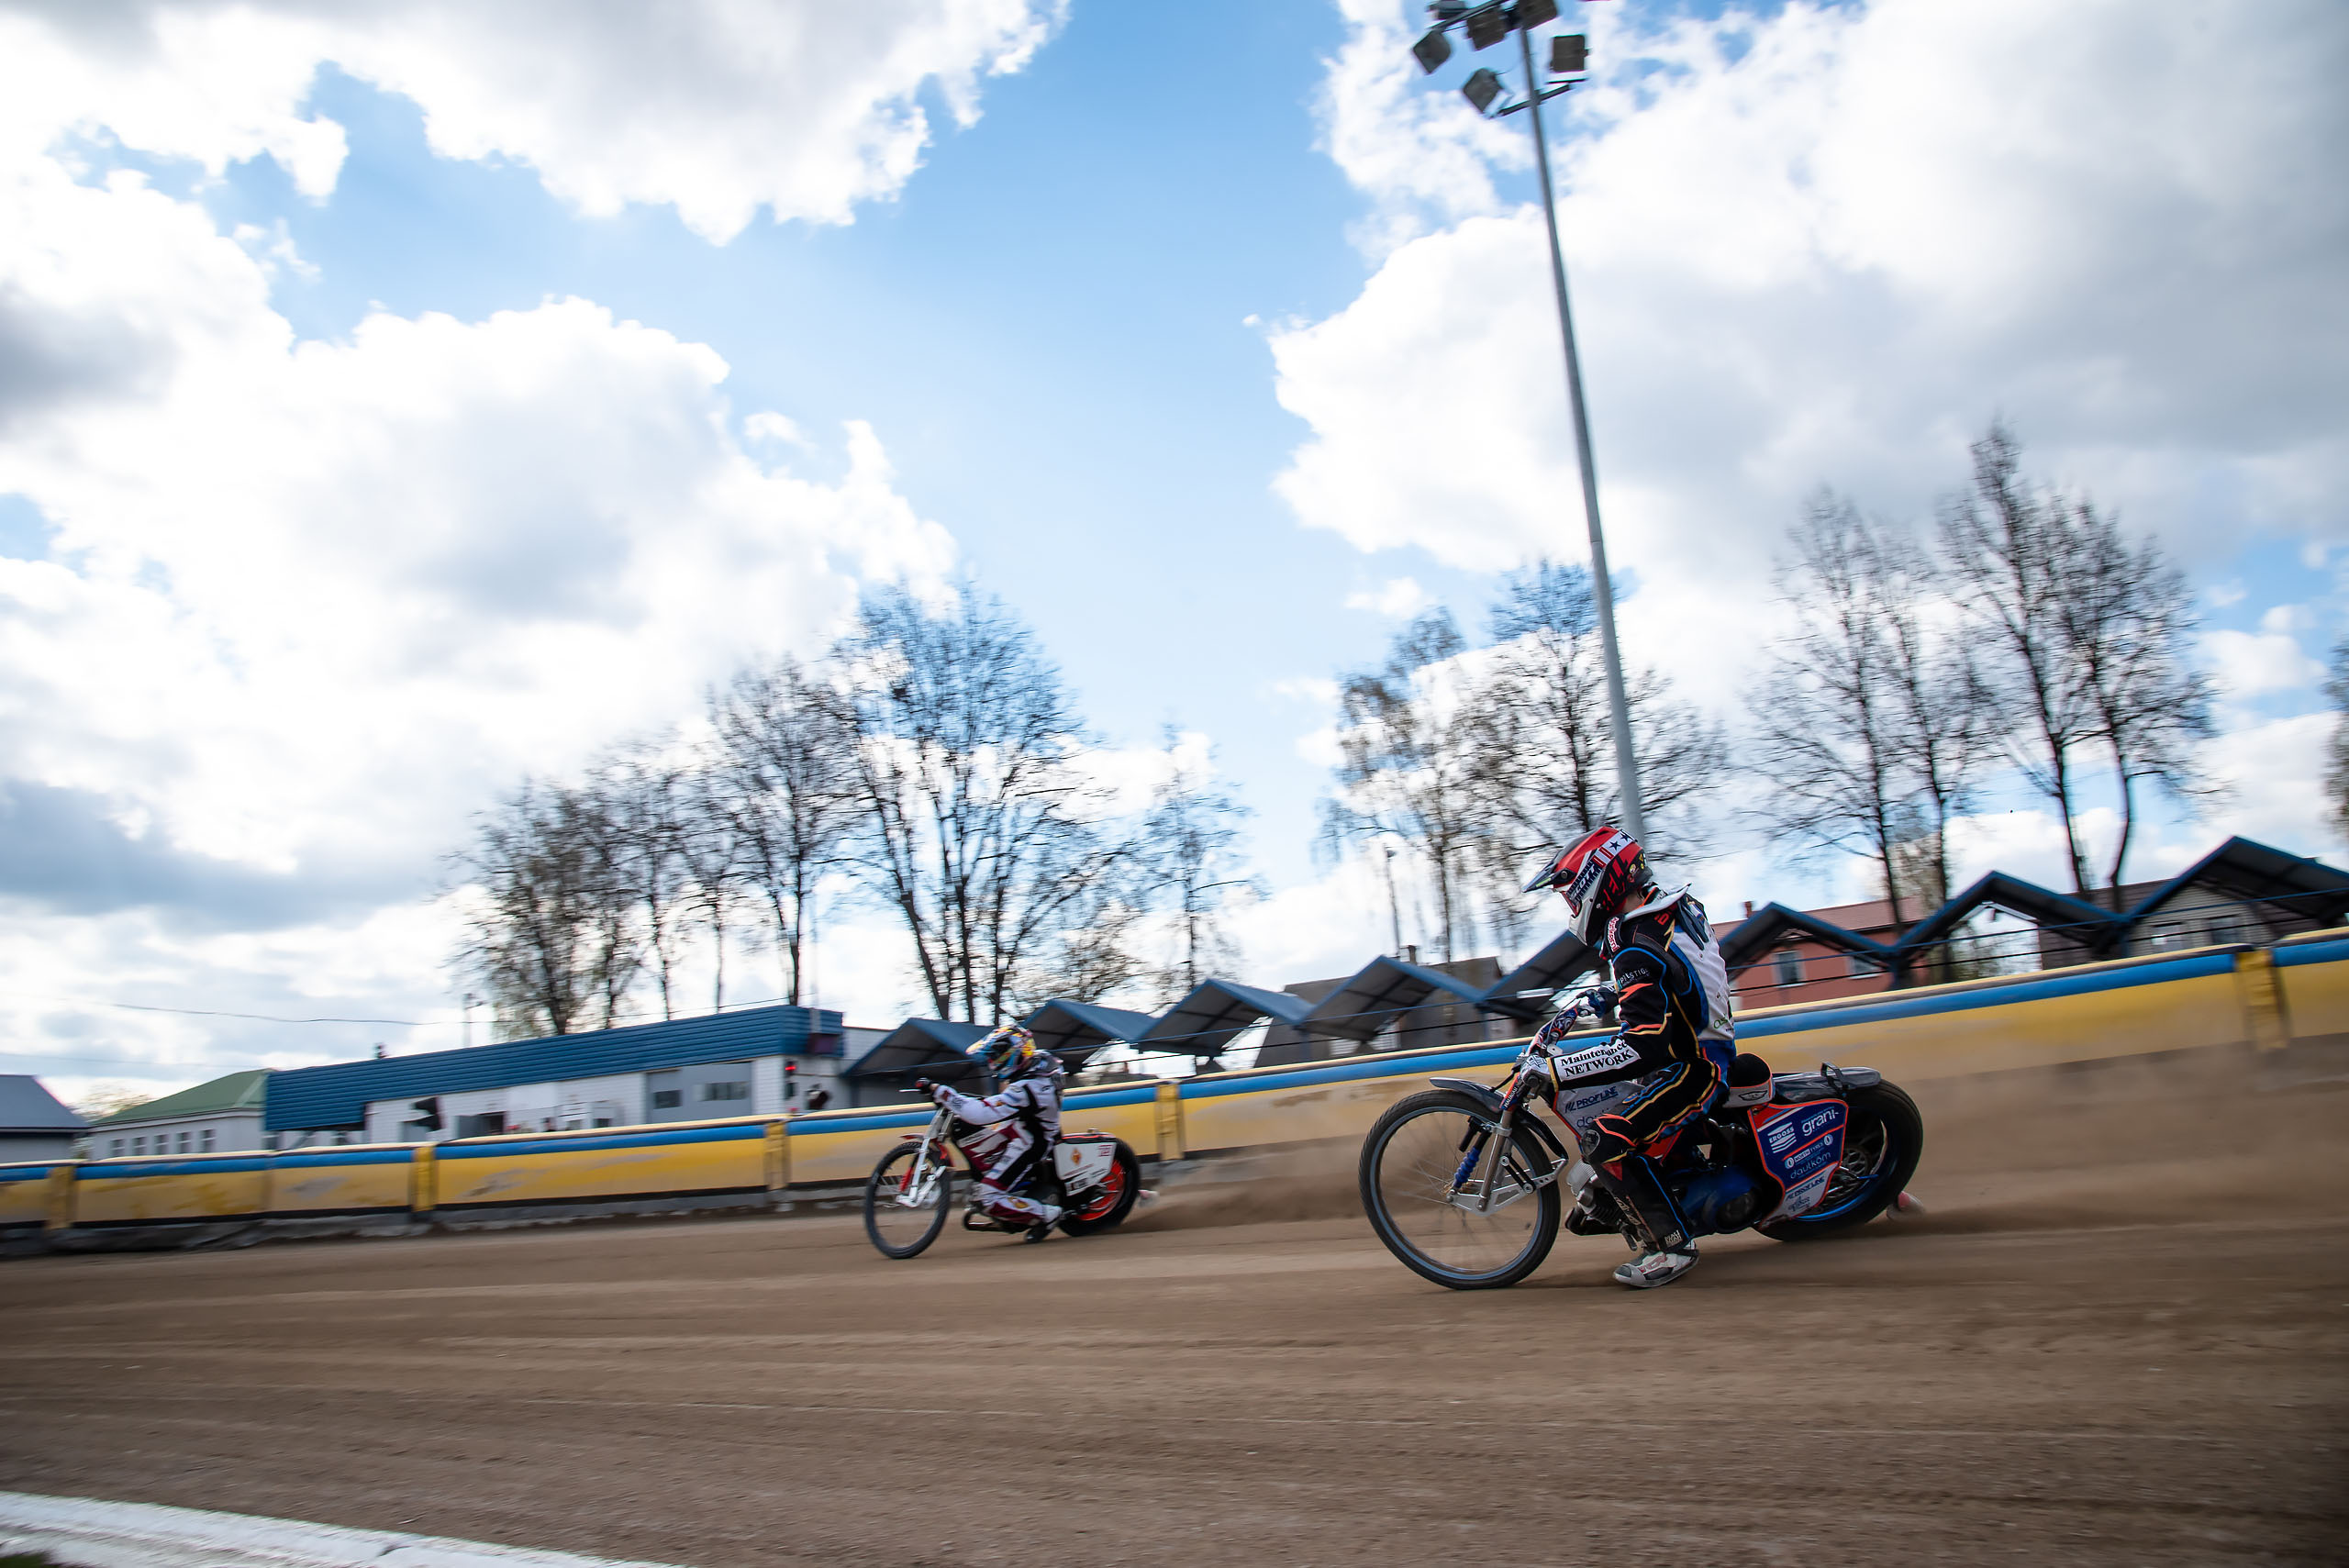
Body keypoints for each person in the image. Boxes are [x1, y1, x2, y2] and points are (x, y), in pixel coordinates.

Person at [1520, 825, 1736, 1289]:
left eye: (1572, 899)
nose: (1574, 911)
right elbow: (1678, 977)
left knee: (1606, 1138)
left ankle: (1673, 1247)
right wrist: (1617, 991)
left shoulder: (1634, 942)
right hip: (1697, 1046)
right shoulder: (1671, 907)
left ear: (1597, 886)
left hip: (1692, 1067)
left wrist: (1557, 1071)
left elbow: (1642, 1046)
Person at [919, 1023, 1067, 1242]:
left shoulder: (1029, 1087)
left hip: (1031, 1143)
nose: (992, 1063)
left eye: (996, 1056)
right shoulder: (1039, 1065)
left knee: (986, 1197)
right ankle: (1012, 1191)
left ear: (1014, 1052)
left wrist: (942, 1093)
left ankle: (1047, 1215)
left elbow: (981, 1114)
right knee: (971, 1131)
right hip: (1023, 1127)